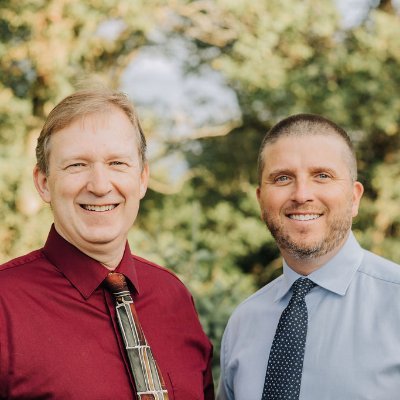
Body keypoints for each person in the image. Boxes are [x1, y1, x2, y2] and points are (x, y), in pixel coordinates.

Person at [0, 87, 214, 399]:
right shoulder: (5, 304)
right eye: (77, 165)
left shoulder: (175, 298)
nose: (100, 185)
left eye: (117, 163)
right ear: (44, 183)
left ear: (142, 179)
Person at [217, 113, 400, 400]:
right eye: (282, 178)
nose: (302, 194)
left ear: (354, 198)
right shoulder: (243, 323)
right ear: (260, 199)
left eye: (322, 176)